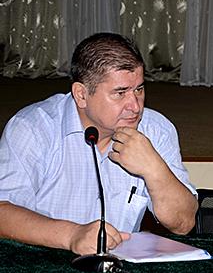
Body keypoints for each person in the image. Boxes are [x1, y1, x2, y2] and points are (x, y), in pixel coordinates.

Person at [0, 32, 198, 255]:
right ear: (81, 95)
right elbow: (3, 211)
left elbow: (183, 224)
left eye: (139, 89)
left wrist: (154, 169)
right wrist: (72, 235)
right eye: (120, 93)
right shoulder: (32, 129)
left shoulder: (155, 130)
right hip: (42, 266)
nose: (135, 105)